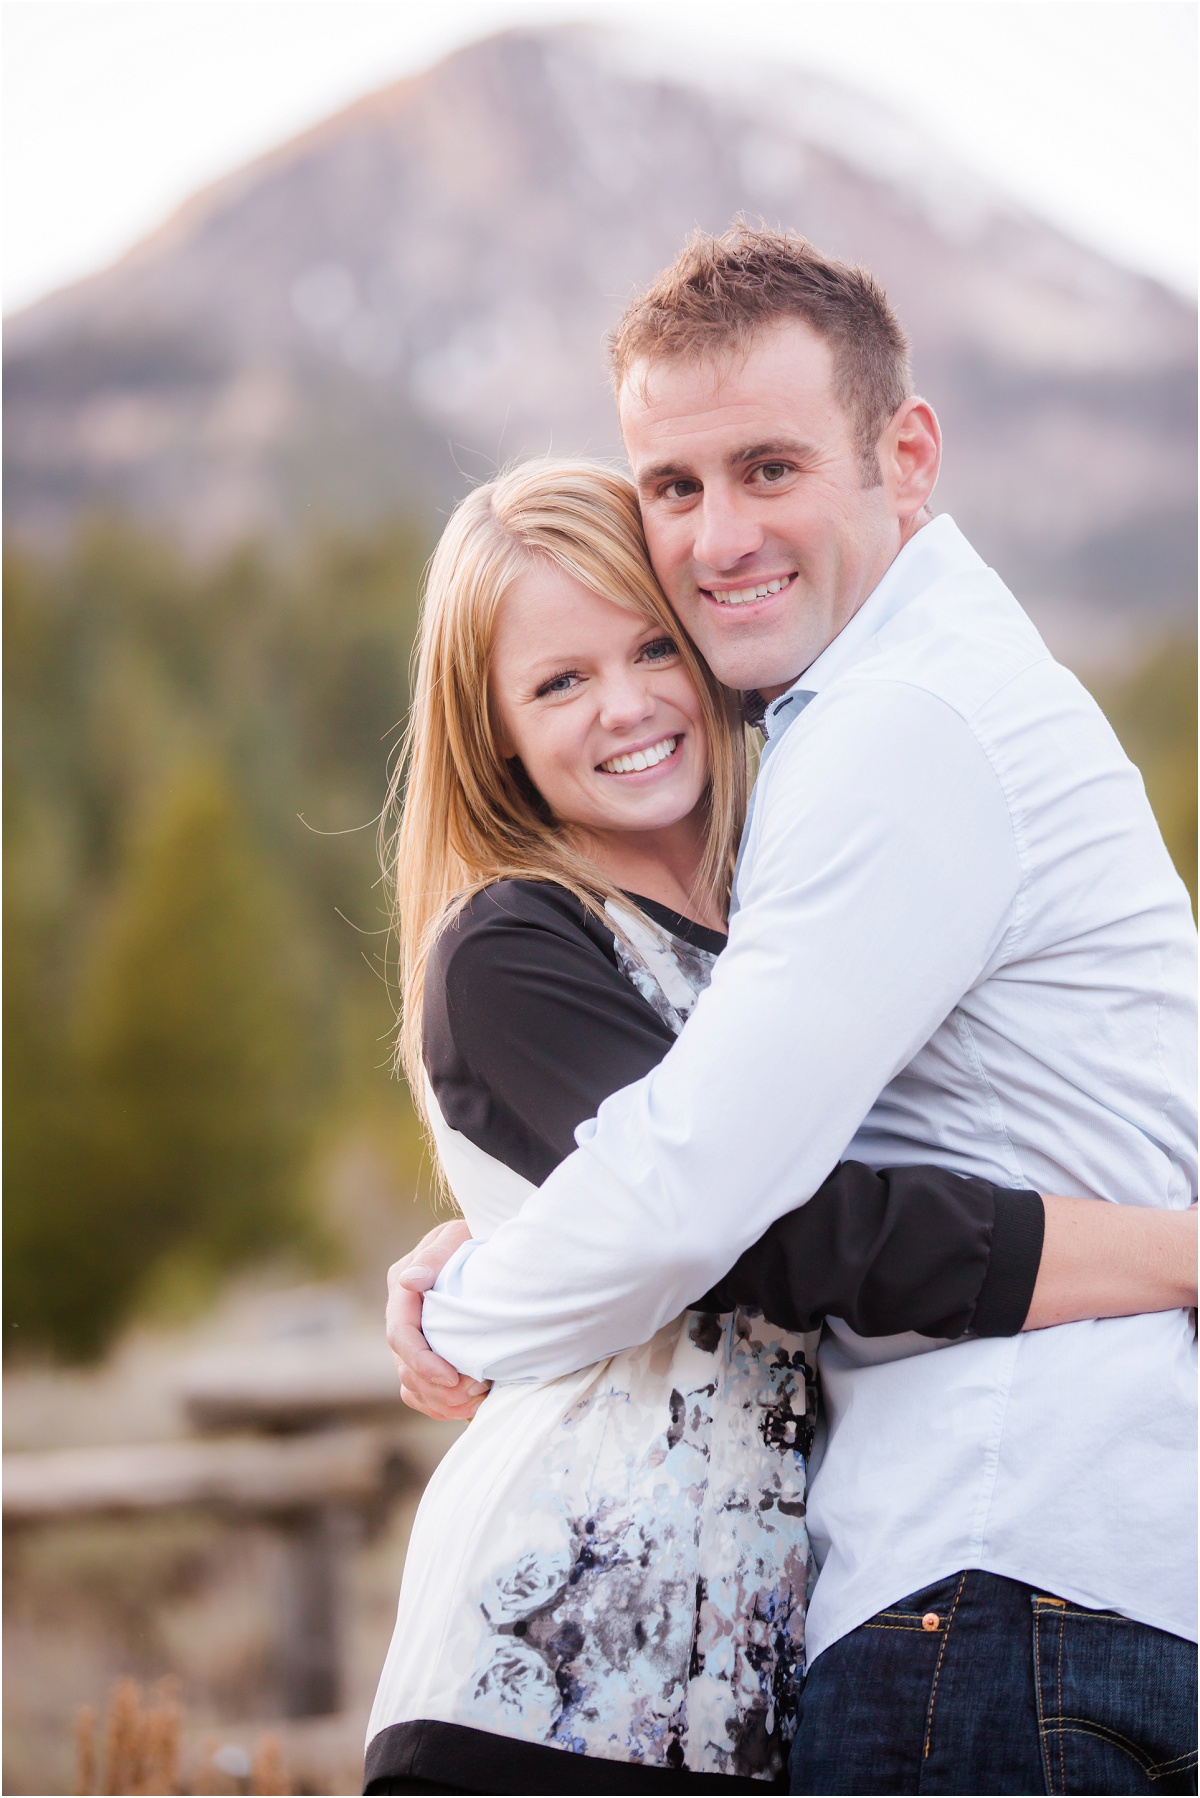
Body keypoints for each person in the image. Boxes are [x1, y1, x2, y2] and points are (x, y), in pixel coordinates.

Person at [389, 230, 1197, 1796]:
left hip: (994, 1565)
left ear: (906, 455)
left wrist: (472, 1304)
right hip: (703, 1657)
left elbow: (702, 1202)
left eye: (769, 466)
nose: (719, 535)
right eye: (675, 488)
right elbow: (712, 1180)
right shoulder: (871, 735)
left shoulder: (892, 728)